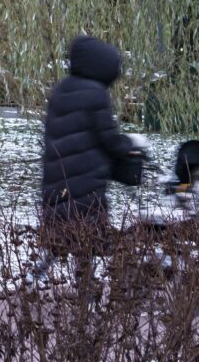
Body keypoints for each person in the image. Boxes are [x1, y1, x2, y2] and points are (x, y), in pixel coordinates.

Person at [40, 35, 149, 280]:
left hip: (57, 182)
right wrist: (132, 144)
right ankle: (85, 292)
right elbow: (108, 138)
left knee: (57, 239)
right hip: (86, 186)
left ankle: (35, 278)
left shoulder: (61, 90)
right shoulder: (96, 93)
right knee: (86, 244)